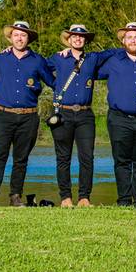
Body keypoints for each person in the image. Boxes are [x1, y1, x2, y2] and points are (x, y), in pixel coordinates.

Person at [0, 21, 56, 207]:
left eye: (23, 35)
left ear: (28, 38)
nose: (19, 38)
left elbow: (53, 81)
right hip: (3, 115)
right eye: (16, 34)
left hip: (28, 117)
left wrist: (69, 60)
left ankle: (15, 196)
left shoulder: (38, 60)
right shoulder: (0, 59)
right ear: (11, 37)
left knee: (21, 159)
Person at [47, 24, 118, 207]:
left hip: (86, 114)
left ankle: (84, 197)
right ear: (68, 39)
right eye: (74, 36)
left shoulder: (93, 58)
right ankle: (65, 198)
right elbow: (36, 64)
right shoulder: (58, 58)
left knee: (87, 157)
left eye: (81, 36)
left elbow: (114, 52)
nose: (78, 39)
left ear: (85, 40)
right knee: (63, 157)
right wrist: (55, 85)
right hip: (63, 113)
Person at [96, 22, 136, 207]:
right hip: (119, 119)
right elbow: (88, 67)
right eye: (129, 37)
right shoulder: (113, 61)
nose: (133, 40)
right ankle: (124, 200)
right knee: (122, 161)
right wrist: (70, 54)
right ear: (123, 40)